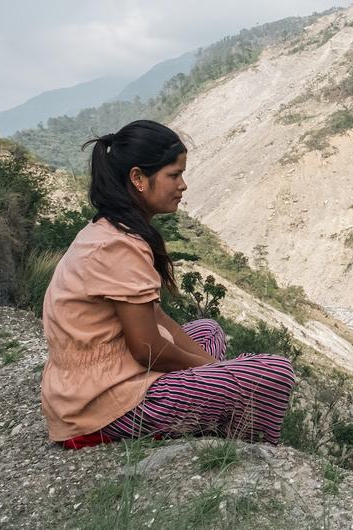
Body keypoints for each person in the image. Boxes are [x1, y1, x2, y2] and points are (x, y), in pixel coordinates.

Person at [40, 120, 296, 449]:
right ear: (138, 178)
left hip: (96, 383)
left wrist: (216, 370)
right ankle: (248, 449)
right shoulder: (118, 246)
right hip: (99, 407)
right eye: (173, 175)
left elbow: (155, 318)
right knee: (274, 373)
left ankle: (213, 414)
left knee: (207, 330)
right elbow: (148, 349)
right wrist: (219, 370)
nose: (183, 185)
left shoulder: (112, 230)